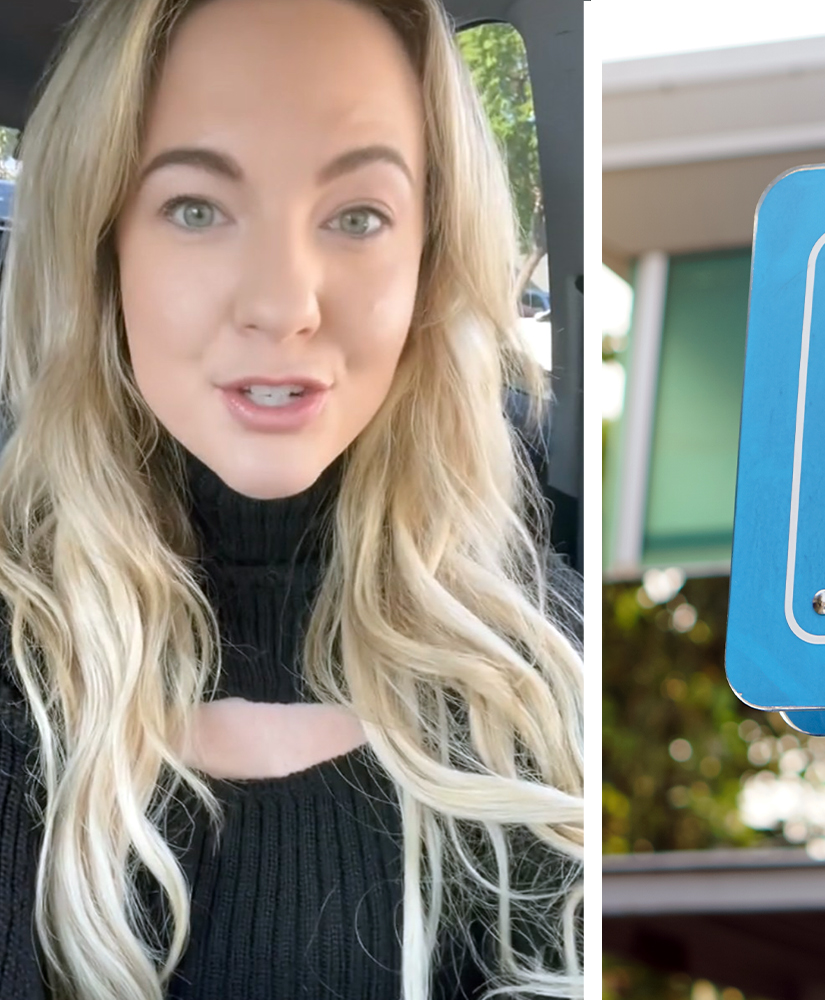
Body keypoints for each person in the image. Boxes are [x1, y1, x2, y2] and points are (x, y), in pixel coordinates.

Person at [0, 0, 583, 997]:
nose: (283, 301)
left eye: (357, 215)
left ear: (429, 260)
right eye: (196, 208)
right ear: (102, 246)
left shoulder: (546, 678)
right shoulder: (23, 656)